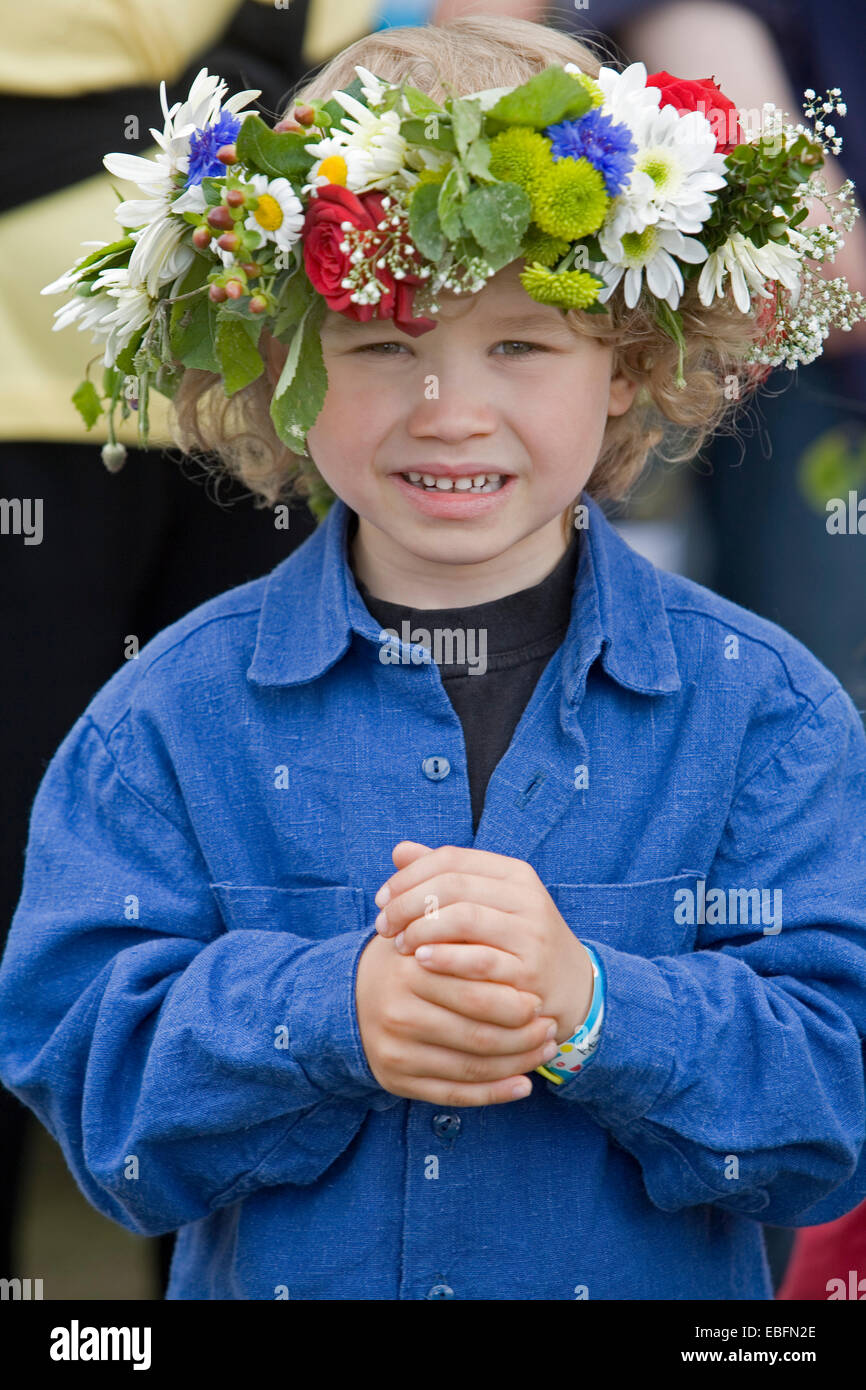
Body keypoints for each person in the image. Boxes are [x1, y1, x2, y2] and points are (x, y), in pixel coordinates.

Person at [0, 13, 865, 1300]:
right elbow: (99, 1105)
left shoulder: (768, 715)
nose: (447, 408)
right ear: (287, 363)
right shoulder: (166, 719)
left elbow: (827, 1123)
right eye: (382, 345)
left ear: (624, 364)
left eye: (519, 343)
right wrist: (326, 1017)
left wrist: (595, 1010)